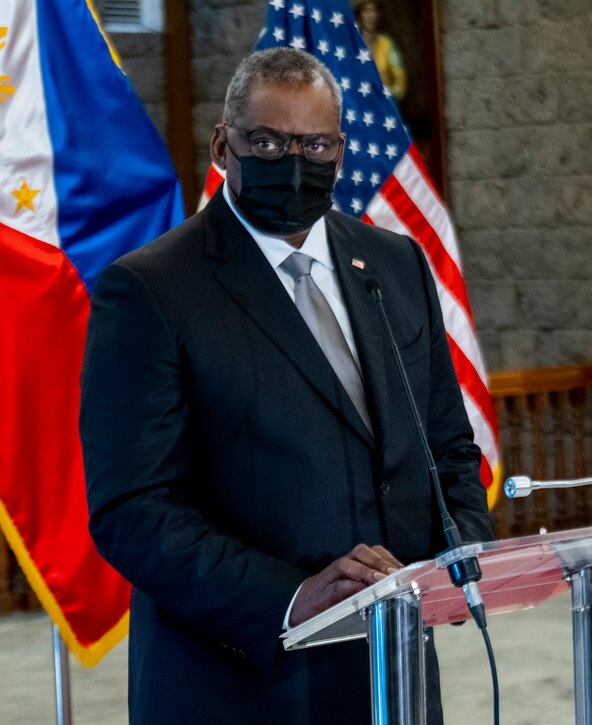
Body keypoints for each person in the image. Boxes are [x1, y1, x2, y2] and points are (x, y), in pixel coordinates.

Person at [79, 48, 493, 724]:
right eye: (266, 141)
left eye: (315, 143)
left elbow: (446, 441)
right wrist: (292, 597)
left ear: (340, 151)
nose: (292, 160)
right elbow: (133, 510)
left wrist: (460, 554)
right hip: (237, 683)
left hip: (391, 669)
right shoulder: (151, 289)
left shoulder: (393, 263)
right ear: (224, 144)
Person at [354, 0, 407, 101]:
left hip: (384, 106)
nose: (370, 15)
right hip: (357, 106)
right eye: (366, 11)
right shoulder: (352, 45)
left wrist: (384, 92)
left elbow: (400, 83)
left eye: (374, 10)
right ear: (359, 16)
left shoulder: (387, 44)